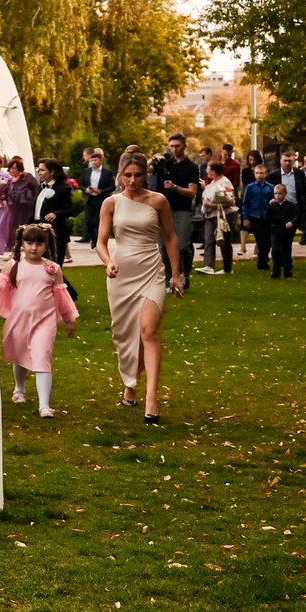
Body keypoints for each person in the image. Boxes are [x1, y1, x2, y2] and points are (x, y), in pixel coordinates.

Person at [96, 153, 183, 423]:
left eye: (138, 175)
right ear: (120, 175)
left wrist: (176, 275)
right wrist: (108, 261)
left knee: (149, 331)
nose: (132, 180)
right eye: (128, 175)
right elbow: (100, 242)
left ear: (145, 175)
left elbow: (170, 237)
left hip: (151, 271)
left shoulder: (158, 200)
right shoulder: (111, 203)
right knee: (125, 335)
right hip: (121, 273)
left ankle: (152, 398)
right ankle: (130, 385)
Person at [0, 222, 78, 416]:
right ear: (21, 243)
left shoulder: (52, 268)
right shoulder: (15, 265)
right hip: (19, 319)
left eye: (39, 243)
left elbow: (61, 295)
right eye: (29, 242)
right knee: (21, 354)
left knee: (43, 355)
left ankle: (44, 404)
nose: (34, 248)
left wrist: (68, 320)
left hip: (45, 320)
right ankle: (20, 388)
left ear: (47, 245)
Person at [150, 134, 203, 288]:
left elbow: (192, 192)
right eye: (172, 146)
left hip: (182, 209)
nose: (174, 149)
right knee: (164, 247)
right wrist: (153, 159)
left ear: (184, 146)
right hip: (162, 209)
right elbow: (145, 169)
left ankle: (186, 273)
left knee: (182, 245)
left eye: (177, 146)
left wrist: (174, 187)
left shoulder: (191, 167)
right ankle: (170, 280)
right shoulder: (165, 162)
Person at [200, 163, 238, 275]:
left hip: (224, 216)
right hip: (211, 215)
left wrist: (210, 205)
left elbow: (231, 201)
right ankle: (208, 265)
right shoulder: (212, 182)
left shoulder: (225, 182)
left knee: (224, 241)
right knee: (208, 239)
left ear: (214, 171)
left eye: (208, 169)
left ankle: (227, 268)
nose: (207, 171)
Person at [242, 164, 275, 271]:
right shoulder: (251, 187)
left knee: (268, 240)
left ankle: (263, 259)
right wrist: (246, 218)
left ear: (266, 174)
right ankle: (263, 262)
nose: (259, 175)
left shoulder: (270, 187)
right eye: (257, 173)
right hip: (255, 216)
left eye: (261, 173)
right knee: (261, 240)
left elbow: (273, 201)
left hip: (267, 216)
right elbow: (245, 203)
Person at [265, 181, 299, 277]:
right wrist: (269, 206)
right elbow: (267, 217)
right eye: (275, 194)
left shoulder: (291, 205)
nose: (277, 196)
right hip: (275, 229)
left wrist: (291, 222)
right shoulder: (273, 205)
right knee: (275, 249)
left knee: (286, 250)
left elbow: (296, 216)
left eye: (280, 194)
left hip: (286, 230)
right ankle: (276, 271)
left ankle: (287, 270)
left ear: (285, 194)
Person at [79, 148, 113, 239]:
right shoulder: (87, 171)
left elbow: (112, 186)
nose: (93, 162)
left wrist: (101, 191)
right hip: (90, 198)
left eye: (95, 160)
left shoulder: (107, 172)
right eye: (92, 160)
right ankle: (93, 238)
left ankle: (99, 239)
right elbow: (81, 183)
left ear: (101, 160)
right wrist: (86, 189)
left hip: (101, 199)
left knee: (99, 220)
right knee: (88, 220)